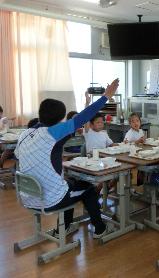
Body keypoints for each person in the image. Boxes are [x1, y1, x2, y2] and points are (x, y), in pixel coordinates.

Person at [15, 78, 119, 239]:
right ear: (59, 120)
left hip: (28, 196)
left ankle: (66, 226)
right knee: (88, 189)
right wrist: (105, 96)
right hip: (48, 200)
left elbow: (18, 155)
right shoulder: (53, 133)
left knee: (70, 184)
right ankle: (100, 229)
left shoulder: (25, 134)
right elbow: (83, 117)